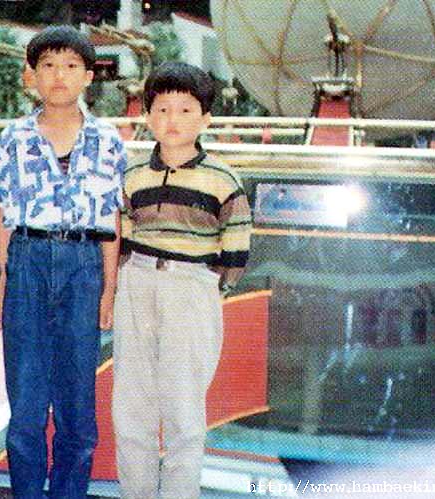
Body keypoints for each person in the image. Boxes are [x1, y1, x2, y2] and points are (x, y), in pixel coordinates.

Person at [0, 25, 126, 499]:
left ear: (89, 75)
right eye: (47, 66)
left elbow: (111, 219)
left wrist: (108, 289)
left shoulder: (107, 139)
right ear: (32, 76)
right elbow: (4, 215)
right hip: (27, 260)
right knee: (26, 403)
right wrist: (2, 281)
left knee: (77, 405)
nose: (59, 75)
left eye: (70, 66)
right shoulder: (13, 138)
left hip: (84, 264)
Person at [112, 61, 253, 499]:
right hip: (136, 283)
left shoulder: (222, 179)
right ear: (147, 115)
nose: (172, 119)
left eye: (186, 110)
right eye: (162, 109)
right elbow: (122, 236)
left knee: (184, 410)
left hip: (191, 288)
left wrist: (207, 286)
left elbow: (235, 247)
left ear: (205, 118)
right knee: (131, 407)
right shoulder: (132, 175)